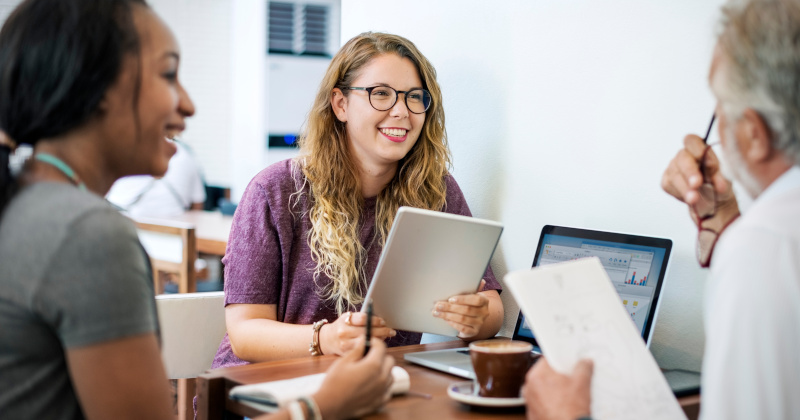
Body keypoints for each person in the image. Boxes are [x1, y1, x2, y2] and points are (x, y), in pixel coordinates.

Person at [0, 1, 395, 419]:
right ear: (95, 89)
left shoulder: (29, 205)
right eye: (168, 74)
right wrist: (321, 406)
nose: (187, 104)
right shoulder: (84, 234)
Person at [522, 0, 800, 419]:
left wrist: (568, 416)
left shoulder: (762, 248)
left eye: (719, 108)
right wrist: (724, 224)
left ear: (755, 135)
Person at [213, 32, 505, 368]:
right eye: (381, 94)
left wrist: (476, 318)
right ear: (340, 104)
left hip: (375, 384)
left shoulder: (436, 190)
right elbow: (245, 333)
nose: (401, 111)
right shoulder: (274, 190)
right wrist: (326, 340)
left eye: (414, 97)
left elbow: (492, 306)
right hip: (267, 390)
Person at [106, 139, 206, 218]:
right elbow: (198, 206)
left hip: (131, 224)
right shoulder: (187, 155)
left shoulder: (127, 150)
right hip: (176, 232)